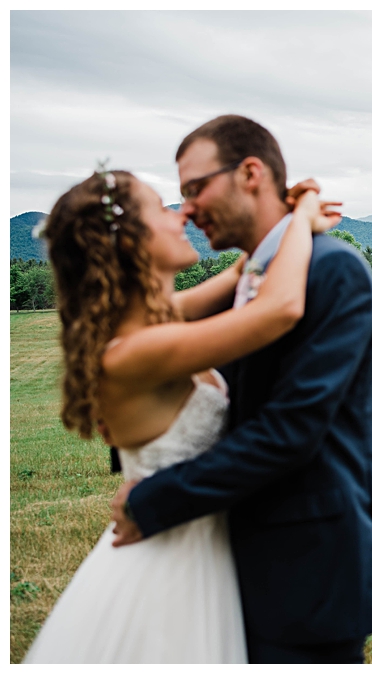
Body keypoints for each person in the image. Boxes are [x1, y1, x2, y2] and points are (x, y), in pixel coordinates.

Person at [109, 115, 372, 664]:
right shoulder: (247, 280)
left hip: (310, 570)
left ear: (250, 173)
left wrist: (156, 499)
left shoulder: (333, 272)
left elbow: (289, 430)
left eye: (196, 189)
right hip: (228, 562)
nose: (187, 209)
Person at [24, 165, 333, 663]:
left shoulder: (154, 325)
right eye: (160, 209)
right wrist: (301, 220)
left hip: (194, 538)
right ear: (132, 244)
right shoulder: (131, 353)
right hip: (171, 563)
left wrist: (281, 219)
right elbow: (277, 309)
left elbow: (243, 275)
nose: (180, 217)